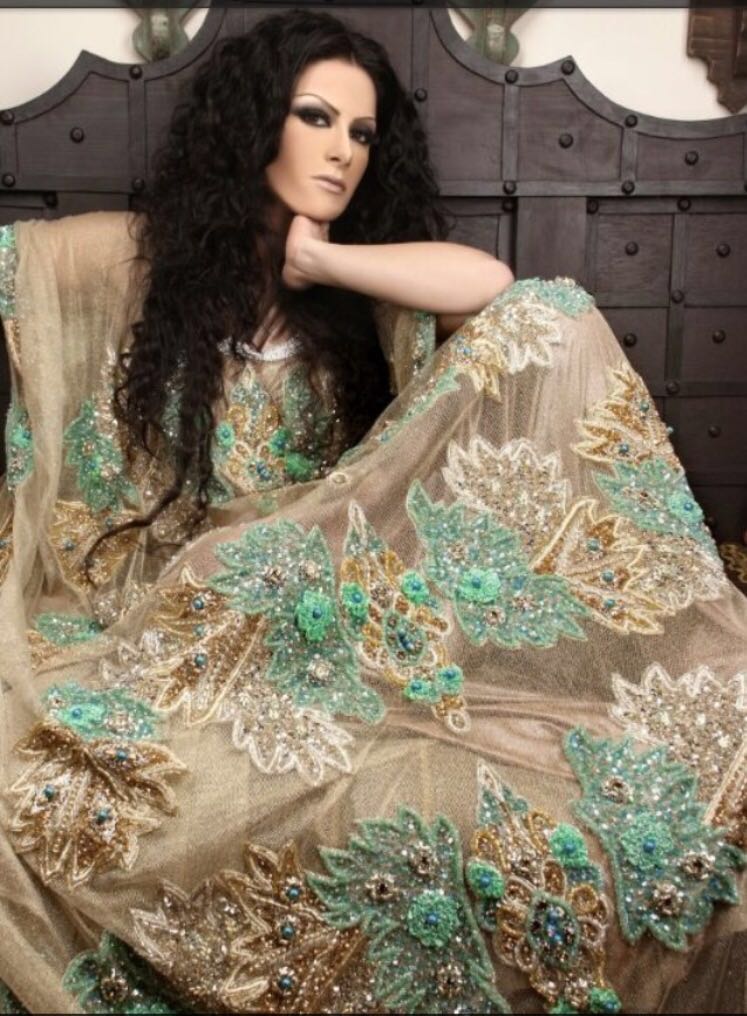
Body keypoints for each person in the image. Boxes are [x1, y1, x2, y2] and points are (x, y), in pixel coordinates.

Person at [0, 8, 744, 1014]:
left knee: (554, 315)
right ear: (255, 124)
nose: (343, 150)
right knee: (227, 582)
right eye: (315, 117)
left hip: (326, 586)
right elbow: (17, 266)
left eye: (361, 132)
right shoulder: (142, 259)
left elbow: (501, 290)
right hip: (194, 594)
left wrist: (322, 262)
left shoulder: (367, 287)